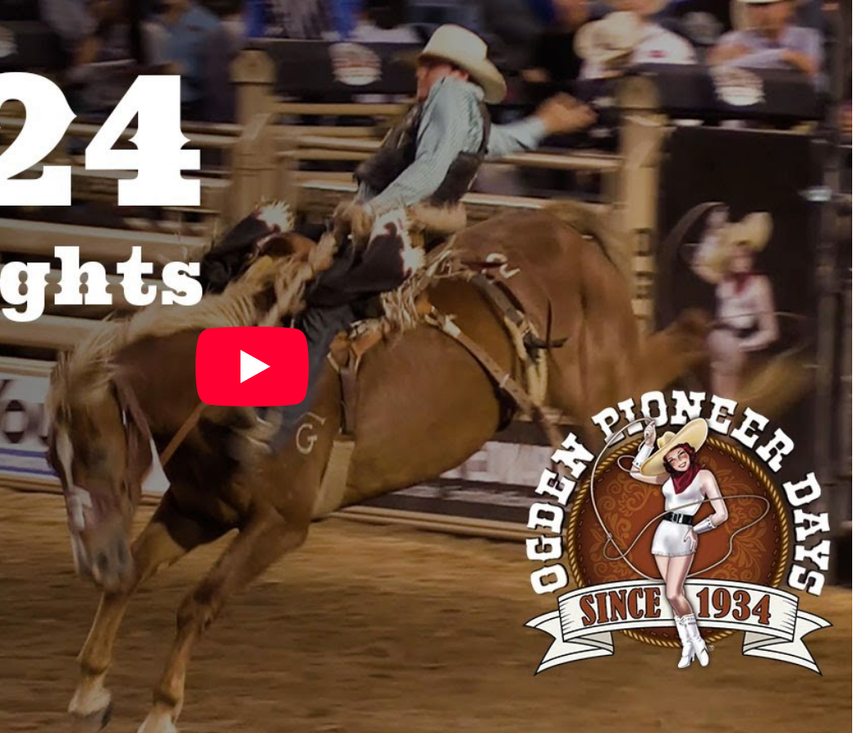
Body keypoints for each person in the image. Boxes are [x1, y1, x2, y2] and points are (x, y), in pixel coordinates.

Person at [201, 25, 598, 451]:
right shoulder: (469, 110)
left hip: (393, 232)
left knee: (321, 305)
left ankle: (273, 425)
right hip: (400, 228)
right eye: (422, 65)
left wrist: (369, 210)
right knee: (288, 267)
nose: (420, 73)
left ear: (458, 72)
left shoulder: (449, 96)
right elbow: (497, 142)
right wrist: (543, 123)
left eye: (430, 65)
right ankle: (245, 392)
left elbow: (429, 170)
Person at [629, 418, 730, 669]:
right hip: (663, 534)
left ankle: (697, 642)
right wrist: (648, 443)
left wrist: (697, 529)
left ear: (689, 452)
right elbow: (635, 472)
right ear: (668, 463)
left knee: (673, 593)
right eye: (672, 459)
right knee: (674, 595)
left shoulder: (704, 477)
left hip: (684, 534)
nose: (679, 461)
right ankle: (687, 646)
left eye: (681, 455)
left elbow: (721, 514)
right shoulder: (667, 479)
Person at [689, 211, 779, 399]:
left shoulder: (759, 285)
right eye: (736, 255)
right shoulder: (725, 280)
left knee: (727, 400)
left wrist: (743, 345)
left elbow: (770, 331)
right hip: (715, 341)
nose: (741, 260)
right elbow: (699, 265)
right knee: (716, 397)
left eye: (746, 256)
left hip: (736, 343)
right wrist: (712, 232)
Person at [708, 0, 824, 87]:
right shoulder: (733, 39)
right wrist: (785, 56)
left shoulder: (806, 37)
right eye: (754, 6)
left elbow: (812, 76)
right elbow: (720, 73)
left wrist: (750, 57)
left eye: (768, 5)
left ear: (788, 7)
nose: (761, 12)